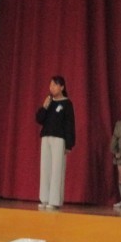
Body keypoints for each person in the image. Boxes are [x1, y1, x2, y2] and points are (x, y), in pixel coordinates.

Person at [35, 75, 75, 211]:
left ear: (62, 87)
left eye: (55, 85)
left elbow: (70, 124)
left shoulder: (67, 103)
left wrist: (69, 144)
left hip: (59, 139)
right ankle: (44, 198)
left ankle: (54, 200)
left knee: (57, 169)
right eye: (50, 85)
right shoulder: (49, 102)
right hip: (46, 137)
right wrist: (44, 106)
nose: (51, 87)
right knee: (45, 168)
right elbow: (39, 119)